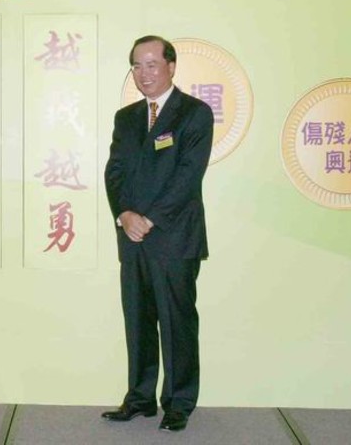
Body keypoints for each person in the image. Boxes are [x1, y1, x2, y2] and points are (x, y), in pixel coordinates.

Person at [102, 35, 214, 433]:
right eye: (136, 65)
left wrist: (147, 218)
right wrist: (124, 215)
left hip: (173, 237)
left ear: (171, 66)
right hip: (131, 238)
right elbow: (114, 173)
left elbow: (188, 177)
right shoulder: (127, 118)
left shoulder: (194, 114)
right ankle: (140, 398)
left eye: (151, 64)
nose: (143, 73)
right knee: (138, 320)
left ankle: (179, 401)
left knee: (177, 322)